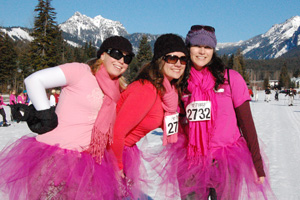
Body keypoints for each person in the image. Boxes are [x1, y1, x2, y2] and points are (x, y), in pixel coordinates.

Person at [0, 36, 134, 200]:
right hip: (56, 158)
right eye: (116, 53)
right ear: (103, 55)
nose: (121, 61)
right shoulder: (80, 71)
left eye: (127, 58)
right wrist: (45, 115)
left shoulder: (116, 88)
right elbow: (34, 80)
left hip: (87, 162)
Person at [166, 25, 276, 199]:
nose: (202, 51)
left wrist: (257, 164)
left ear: (213, 50)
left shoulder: (231, 78)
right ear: (188, 48)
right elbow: (175, 121)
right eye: (196, 46)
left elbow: (247, 126)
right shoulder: (180, 82)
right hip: (192, 162)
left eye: (207, 47)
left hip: (226, 162)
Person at [110, 33, 189, 199]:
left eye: (183, 60)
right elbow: (117, 132)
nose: (179, 64)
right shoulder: (146, 90)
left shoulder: (168, 92)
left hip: (124, 152)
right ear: (160, 60)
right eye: (172, 58)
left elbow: (173, 126)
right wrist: (116, 168)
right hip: (111, 154)